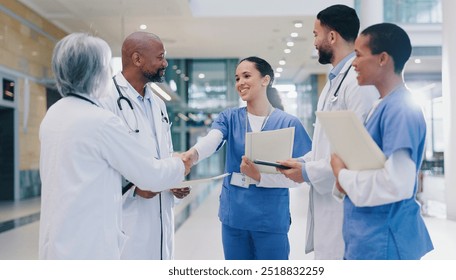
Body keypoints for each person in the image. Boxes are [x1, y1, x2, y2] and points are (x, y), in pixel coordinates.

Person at [38, 33, 192, 259]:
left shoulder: (54, 114)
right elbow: (149, 175)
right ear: (94, 71)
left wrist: (168, 175)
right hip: (93, 241)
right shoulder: (99, 117)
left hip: (61, 238)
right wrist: (181, 165)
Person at [182, 56, 312, 260]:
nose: (240, 82)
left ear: (265, 80)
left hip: (270, 220)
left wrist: (260, 177)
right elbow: (213, 139)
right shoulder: (230, 117)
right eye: (236, 78)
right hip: (234, 218)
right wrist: (193, 154)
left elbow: (301, 175)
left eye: (246, 76)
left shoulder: (289, 123)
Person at [277, 5, 379, 259]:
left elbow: (357, 153)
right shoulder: (334, 81)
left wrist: (307, 172)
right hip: (329, 205)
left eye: (315, 34)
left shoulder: (358, 82)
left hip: (346, 208)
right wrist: (303, 162)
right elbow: (327, 145)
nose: (314, 42)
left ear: (331, 37)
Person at [330, 23, 434, 259]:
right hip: (370, 238)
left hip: (385, 241)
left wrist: (342, 174)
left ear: (383, 59)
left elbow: (397, 184)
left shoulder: (401, 109)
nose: (353, 63)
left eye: (358, 55)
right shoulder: (382, 105)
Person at [99, 31, 190, 260]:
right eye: (160, 57)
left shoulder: (157, 102)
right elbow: (100, 162)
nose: (165, 63)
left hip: (161, 218)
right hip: (127, 217)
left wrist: (173, 179)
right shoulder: (106, 99)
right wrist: (134, 188)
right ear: (137, 59)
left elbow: (164, 153)